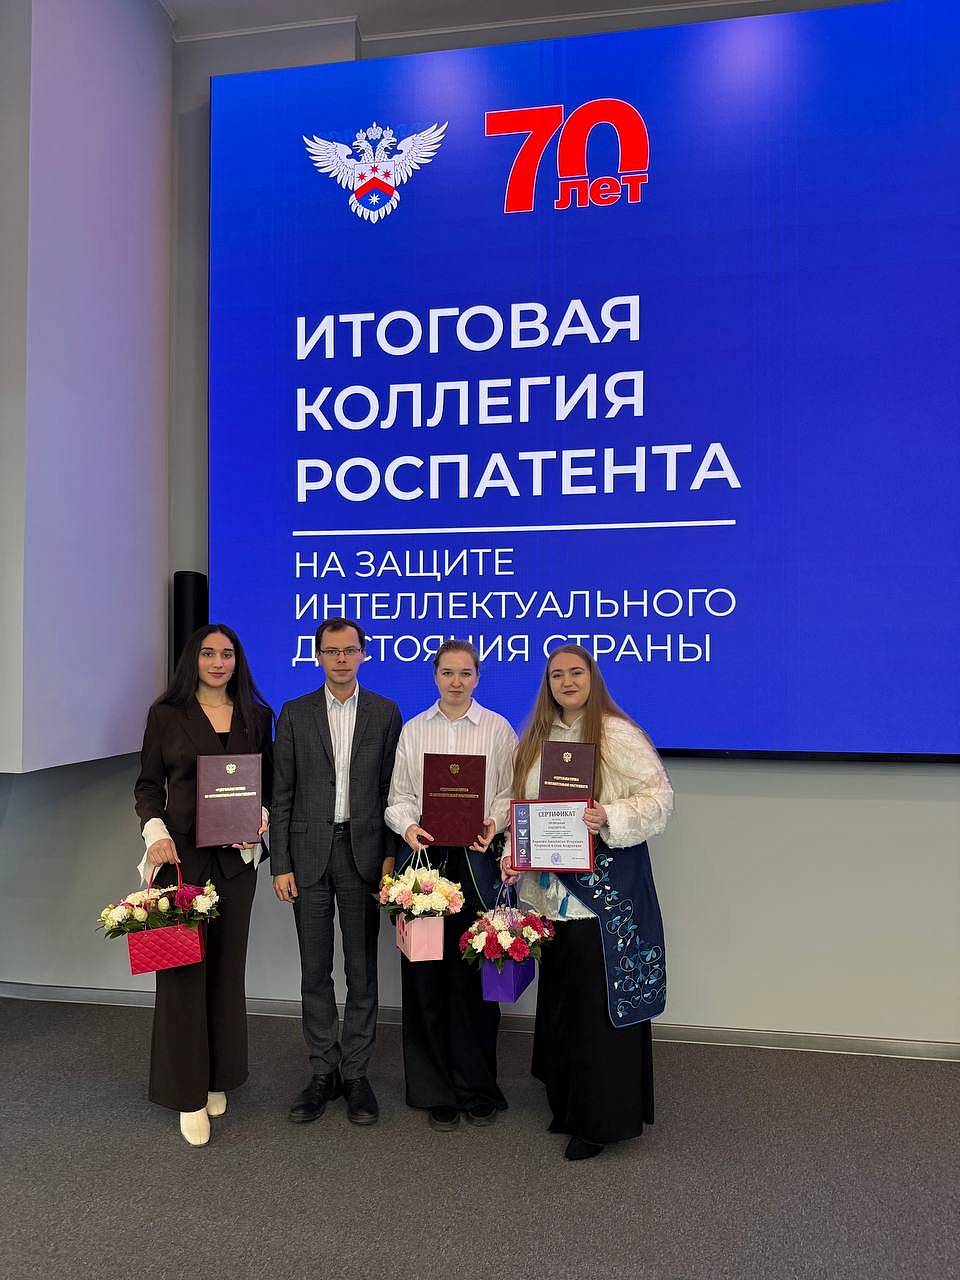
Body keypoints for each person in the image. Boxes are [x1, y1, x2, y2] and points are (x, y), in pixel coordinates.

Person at [503, 644, 673, 1162]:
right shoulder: (535, 740)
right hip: (550, 896)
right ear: (548, 685)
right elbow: (523, 808)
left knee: (597, 1009)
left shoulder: (618, 735)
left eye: (576, 672)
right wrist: (514, 853)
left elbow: (659, 798)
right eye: (557, 675)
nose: (567, 682)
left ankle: (600, 1121)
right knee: (564, 1004)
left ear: (592, 678)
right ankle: (568, 1103)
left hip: (601, 898)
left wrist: (608, 817)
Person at [134, 624, 274, 1147]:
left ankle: (218, 1076)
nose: (218, 663)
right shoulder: (166, 714)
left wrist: (260, 817)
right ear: (193, 659)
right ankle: (186, 1093)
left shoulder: (257, 715)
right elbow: (148, 786)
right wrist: (155, 833)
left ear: (238, 661)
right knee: (181, 975)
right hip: (182, 862)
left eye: (227, 654)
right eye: (209, 653)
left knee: (226, 972)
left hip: (236, 863)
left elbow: (268, 785)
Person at [271, 617, 402, 1127]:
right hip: (307, 858)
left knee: (362, 971)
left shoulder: (385, 713)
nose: (341, 658)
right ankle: (322, 1071)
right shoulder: (294, 712)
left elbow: (393, 792)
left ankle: (356, 1074)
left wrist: (390, 856)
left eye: (350, 650)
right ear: (318, 656)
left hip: (364, 856)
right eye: (332, 651)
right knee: (314, 969)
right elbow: (281, 793)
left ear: (364, 654)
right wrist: (281, 862)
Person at [385, 639, 517, 1131]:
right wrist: (408, 827)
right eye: (447, 673)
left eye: (465, 673)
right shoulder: (414, 730)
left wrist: (493, 821)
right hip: (426, 866)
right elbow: (398, 797)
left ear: (477, 677)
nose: (456, 681)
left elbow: (510, 794)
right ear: (434, 676)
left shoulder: (499, 729)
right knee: (425, 977)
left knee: (476, 979)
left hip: (478, 866)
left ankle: (476, 1086)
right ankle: (433, 1088)